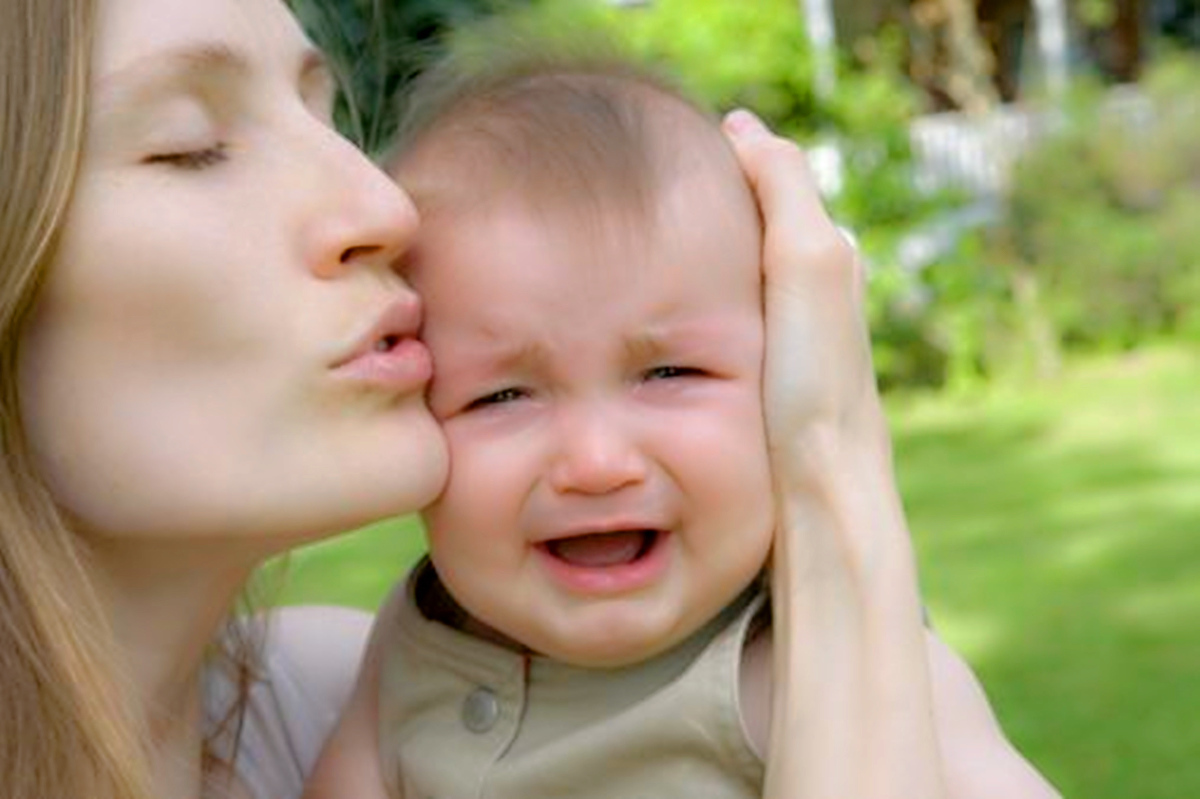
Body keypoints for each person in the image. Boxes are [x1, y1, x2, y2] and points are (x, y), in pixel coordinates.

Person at [304, 40, 1060, 799]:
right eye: (502, 396)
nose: (597, 461)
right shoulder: (415, 641)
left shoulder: (828, 669)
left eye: (670, 373)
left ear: (781, 374)